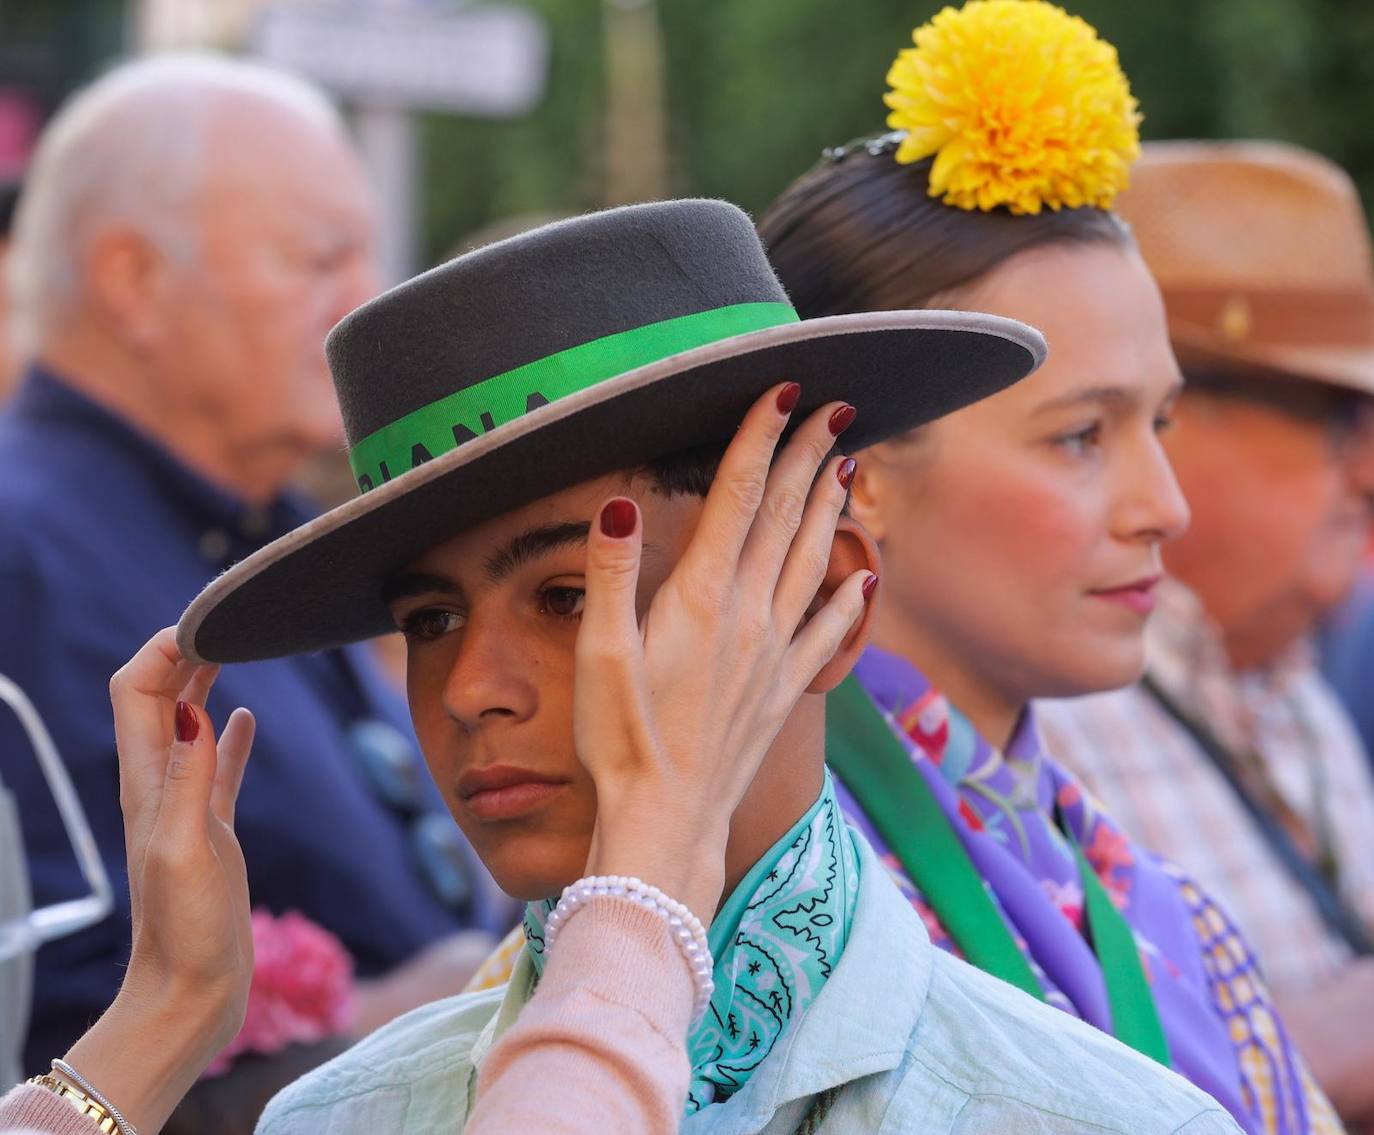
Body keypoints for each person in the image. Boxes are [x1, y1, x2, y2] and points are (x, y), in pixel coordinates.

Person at [61, 197, 1239, 1133]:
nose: (471, 688)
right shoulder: (341, 1117)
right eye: (429, 619)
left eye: (570, 595)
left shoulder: (1096, 1117)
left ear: (826, 591)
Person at [746, 7, 1339, 1134]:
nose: (1165, 508)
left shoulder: (1156, 910)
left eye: (1161, 422)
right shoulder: (751, 924)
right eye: (1080, 436)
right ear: (856, 475)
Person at [0, 54, 510, 1083]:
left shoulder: (258, 518)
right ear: (135, 283)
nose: (365, 303)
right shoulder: (21, 548)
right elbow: (36, 1007)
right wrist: (373, 1029)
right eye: (321, 260)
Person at [1036, 140, 1374, 1125]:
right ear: (1163, 414)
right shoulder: (1034, 708)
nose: (1369, 471)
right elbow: (1042, 1090)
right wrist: (1318, 1046)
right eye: (1340, 420)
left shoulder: (1284, 678)